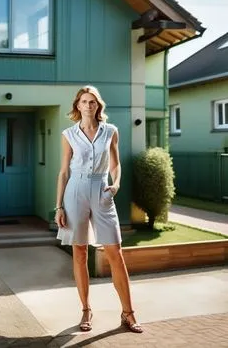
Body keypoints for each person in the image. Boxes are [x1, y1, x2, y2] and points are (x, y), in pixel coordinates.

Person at [54, 85, 143, 333]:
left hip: (103, 191)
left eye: (93, 102)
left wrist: (116, 185)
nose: (88, 105)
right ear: (78, 106)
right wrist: (58, 206)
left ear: (98, 106)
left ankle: (128, 312)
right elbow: (63, 172)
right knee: (80, 251)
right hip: (75, 192)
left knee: (116, 252)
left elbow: (116, 164)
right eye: (84, 101)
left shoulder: (111, 131)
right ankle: (85, 309)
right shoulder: (69, 134)